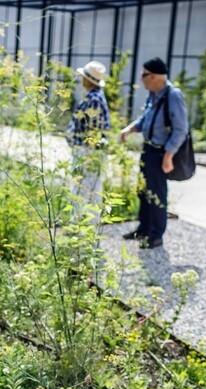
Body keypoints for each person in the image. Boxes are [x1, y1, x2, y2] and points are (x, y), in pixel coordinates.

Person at [119, 57, 188, 249]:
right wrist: (130, 129)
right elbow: (145, 119)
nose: (141, 79)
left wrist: (168, 155)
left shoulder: (173, 95)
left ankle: (156, 235)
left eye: (144, 75)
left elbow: (181, 129)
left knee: (157, 194)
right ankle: (144, 228)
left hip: (160, 153)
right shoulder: (153, 95)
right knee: (143, 190)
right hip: (148, 149)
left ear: (156, 76)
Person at [66, 60, 112, 224]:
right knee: (87, 192)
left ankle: (81, 234)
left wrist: (87, 155)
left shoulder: (94, 99)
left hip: (88, 153)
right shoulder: (94, 97)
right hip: (87, 152)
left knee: (84, 192)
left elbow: (93, 131)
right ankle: (82, 234)